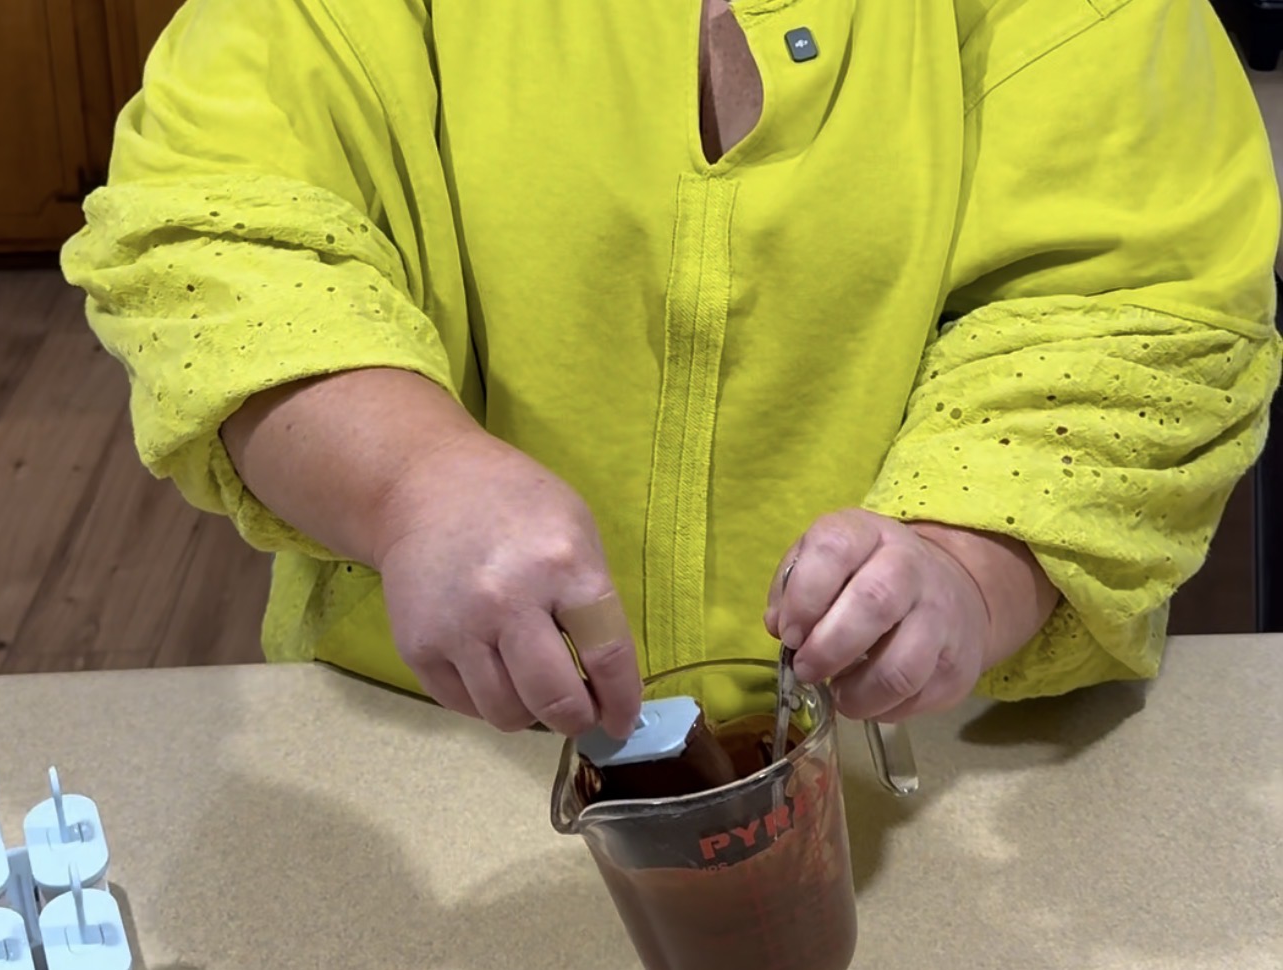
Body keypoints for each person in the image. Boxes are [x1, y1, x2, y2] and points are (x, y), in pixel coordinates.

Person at [63, 0, 1280, 741]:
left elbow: (1137, 310)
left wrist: (966, 568)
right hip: (431, 749)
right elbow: (214, 222)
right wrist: (414, 485)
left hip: (927, 773)